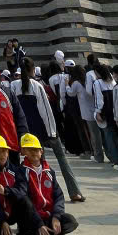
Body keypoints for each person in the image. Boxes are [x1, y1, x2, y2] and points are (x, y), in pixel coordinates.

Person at [10, 57, 85, 200]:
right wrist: (52, 132)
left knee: (38, 165)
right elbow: (45, 111)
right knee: (61, 159)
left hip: (27, 133)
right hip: (43, 129)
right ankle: (74, 191)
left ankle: (41, 195)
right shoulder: (36, 85)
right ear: (33, 69)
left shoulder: (13, 86)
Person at [19, 133, 79, 235]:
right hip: (33, 219)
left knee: (71, 221)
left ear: (41, 151)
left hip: (49, 216)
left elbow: (59, 196)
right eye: (29, 149)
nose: (33, 152)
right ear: (23, 152)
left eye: (36, 149)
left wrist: (56, 217)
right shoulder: (21, 171)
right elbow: (25, 201)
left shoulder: (49, 171)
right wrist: (39, 223)